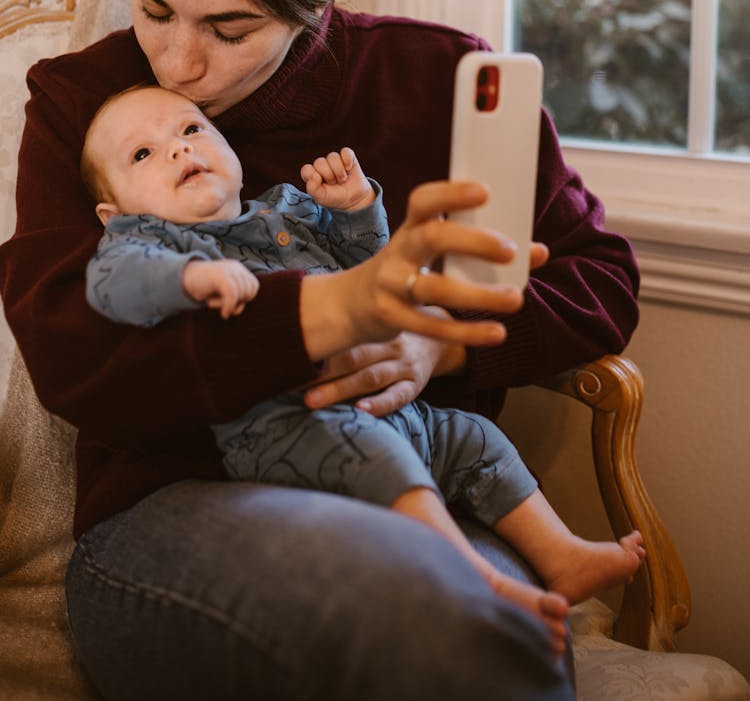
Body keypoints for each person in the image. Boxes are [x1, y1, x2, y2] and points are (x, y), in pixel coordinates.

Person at [0, 0, 641, 701]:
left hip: (421, 475)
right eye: (151, 6)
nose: (176, 64)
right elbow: (70, 345)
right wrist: (337, 308)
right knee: (431, 623)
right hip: (179, 507)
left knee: (504, 639)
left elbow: (600, 278)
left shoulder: (433, 76)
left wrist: (435, 340)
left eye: (230, 27)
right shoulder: (89, 106)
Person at [80, 83, 645, 656]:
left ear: (230, 147)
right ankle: (473, 577)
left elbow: (373, 279)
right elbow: (112, 286)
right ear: (112, 214)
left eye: (191, 129)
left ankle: (561, 554)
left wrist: (355, 211)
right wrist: (187, 279)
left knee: (475, 439)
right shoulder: (147, 241)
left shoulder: (287, 208)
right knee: (385, 460)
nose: (177, 149)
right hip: (289, 429)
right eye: (142, 154)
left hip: (397, 410)